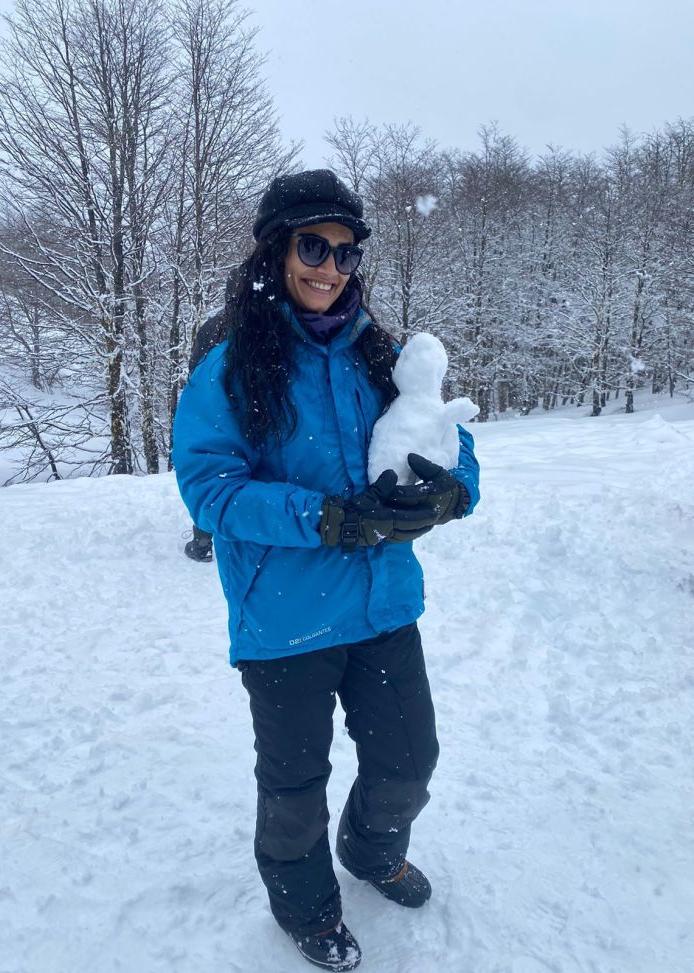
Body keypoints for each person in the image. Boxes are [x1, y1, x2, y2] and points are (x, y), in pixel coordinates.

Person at [172, 169, 480, 972]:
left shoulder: (380, 352)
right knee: (295, 785)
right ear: (277, 250)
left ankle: (373, 851)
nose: (330, 266)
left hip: (382, 606)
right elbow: (209, 489)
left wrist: (451, 493)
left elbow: (444, 435)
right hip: (285, 620)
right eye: (313, 245)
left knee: (409, 762)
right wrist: (325, 517)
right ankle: (305, 906)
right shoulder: (233, 367)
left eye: (345, 251)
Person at [182, 305, 229, 562]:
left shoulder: (214, 326)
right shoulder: (271, 321)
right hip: (253, 414)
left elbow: (195, 370)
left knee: (210, 475)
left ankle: (202, 542)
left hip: (215, 412)